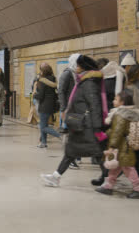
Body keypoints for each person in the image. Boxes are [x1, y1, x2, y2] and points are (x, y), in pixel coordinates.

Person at [41, 55, 107, 187]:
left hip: (88, 126)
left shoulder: (89, 83)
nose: (76, 68)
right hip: (81, 125)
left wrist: (98, 127)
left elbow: (95, 105)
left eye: (78, 65)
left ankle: (110, 179)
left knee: (96, 153)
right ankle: (56, 176)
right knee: (72, 151)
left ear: (84, 67)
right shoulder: (84, 81)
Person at [95, 90, 139, 199]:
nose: (113, 101)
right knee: (115, 166)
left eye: (116, 99)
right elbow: (115, 130)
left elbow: (117, 132)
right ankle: (108, 186)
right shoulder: (130, 113)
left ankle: (138, 189)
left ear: (122, 102)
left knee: (127, 167)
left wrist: (112, 146)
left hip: (122, 146)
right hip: (124, 144)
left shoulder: (120, 114)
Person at [33, 63, 61, 148]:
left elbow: (41, 96)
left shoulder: (43, 81)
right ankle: (43, 143)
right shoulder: (53, 79)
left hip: (44, 106)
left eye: (41, 70)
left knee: (43, 127)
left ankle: (60, 136)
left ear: (43, 71)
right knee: (44, 124)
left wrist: (34, 95)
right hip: (52, 105)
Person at [58, 54, 80, 134]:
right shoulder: (67, 74)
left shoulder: (77, 73)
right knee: (67, 132)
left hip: (74, 107)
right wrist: (63, 109)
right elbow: (61, 91)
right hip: (67, 107)